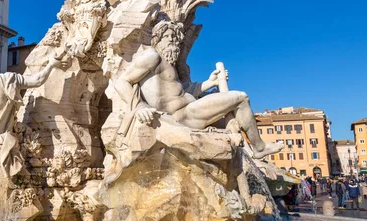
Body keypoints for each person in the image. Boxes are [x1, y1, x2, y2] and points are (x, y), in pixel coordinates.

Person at [113, 21, 283, 159]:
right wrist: (139, 107)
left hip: (190, 111)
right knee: (241, 98)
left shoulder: (168, 66)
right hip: (183, 116)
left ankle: (251, 148)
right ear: (157, 39)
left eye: (175, 39)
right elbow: (122, 81)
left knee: (236, 123)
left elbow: (181, 92)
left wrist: (210, 82)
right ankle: (259, 147)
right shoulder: (151, 57)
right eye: (168, 37)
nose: (173, 41)